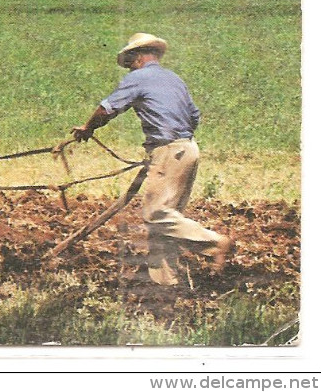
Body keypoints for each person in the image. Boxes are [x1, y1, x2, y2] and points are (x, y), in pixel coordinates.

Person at [71, 33, 234, 285]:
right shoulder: (174, 79)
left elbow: (108, 108)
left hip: (169, 151)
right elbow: (194, 116)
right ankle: (166, 284)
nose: (129, 65)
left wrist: (87, 128)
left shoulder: (138, 78)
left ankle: (215, 243)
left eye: (129, 60)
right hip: (188, 148)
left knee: (156, 214)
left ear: (138, 56)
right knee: (167, 220)